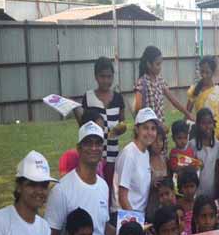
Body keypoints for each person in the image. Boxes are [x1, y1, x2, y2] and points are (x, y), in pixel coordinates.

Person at [46, 121, 114, 235]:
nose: (94, 148)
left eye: (98, 143)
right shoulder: (61, 190)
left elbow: (103, 227)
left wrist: (131, 230)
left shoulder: (103, 186)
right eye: (88, 143)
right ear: (79, 148)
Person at [78, 57, 127, 198]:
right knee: (93, 187)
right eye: (102, 76)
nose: (106, 80)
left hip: (113, 153)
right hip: (93, 153)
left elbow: (122, 123)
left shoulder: (118, 98)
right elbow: (84, 125)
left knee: (111, 188)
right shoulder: (88, 97)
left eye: (109, 77)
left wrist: (120, 129)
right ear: (96, 76)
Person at [113, 108, 158, 213]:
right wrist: (136, 221)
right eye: (145, 128)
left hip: (140, 214)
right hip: (125, 215)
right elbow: (122, 197)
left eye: (153, 128)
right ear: (137, 129)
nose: (150, 133)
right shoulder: (129, 154)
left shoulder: (145, 153)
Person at [133, 45, 194, 123]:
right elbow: (138, 108)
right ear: (149, 64)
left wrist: (187, 114)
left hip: (160, 128)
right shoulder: (142, 82)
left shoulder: (160, 80)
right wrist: (155, 123)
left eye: (160, 64)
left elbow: (173, 100)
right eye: (157, 64)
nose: (160, 67)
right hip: (149, 129)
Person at [187, 55, 219, 141]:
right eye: (202, 72)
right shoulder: (194, 91)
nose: (204, 75)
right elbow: (186, 114)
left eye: (207, 72)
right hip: (199, 135)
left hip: (216, 136)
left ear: (213, 72)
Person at [59, 109, 106, 178]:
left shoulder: (99, 159)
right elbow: (64, 182)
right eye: (97, 128)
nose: (101, 131)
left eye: (102, 129)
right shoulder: (71, 156)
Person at [189, 108, 219, 198]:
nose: (207, 126)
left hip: (212, 190)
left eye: (210, 123)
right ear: (198, 125)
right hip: (196, 191)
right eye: (203, 123)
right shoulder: (192, 144)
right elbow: (188, 167)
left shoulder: (217, 145)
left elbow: (217, 168)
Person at [146, 124, 169, 224]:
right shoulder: (146, 160)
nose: (158, 144)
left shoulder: (165, 159)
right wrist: (152, 184)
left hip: (165, 203)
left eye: (160, 140)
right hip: (152, 204)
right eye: (155, 140)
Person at [176, 167, 199, 235]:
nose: (189, 191)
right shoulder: (177, 205)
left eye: (192, 186)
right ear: (180, 188)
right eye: (186, 187)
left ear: (196, 186)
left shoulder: (198, 204)